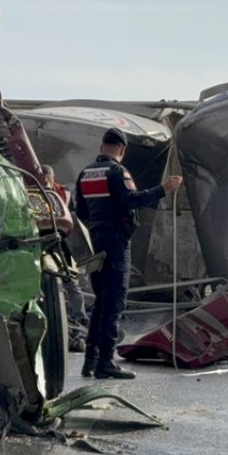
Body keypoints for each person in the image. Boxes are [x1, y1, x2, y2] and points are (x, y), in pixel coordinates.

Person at [74, 128, 183, 379]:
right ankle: (106, 362)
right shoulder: (118, 171)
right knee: (114, 302)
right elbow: (132, 199)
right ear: (122, 150)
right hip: (116, 244)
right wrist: (164, 189)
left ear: (102, 147)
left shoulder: (85, 174)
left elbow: (80, 212)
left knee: (100, 302)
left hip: (95, 243)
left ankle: (90, 361)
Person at [43, 165, 89, 354]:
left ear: (53, 178)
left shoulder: (62, 193)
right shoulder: (31, 193)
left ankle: (80, 319)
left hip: (61, 245)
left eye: (47, 178)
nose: (45, 181)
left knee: (72, 284)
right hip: (41, 244)